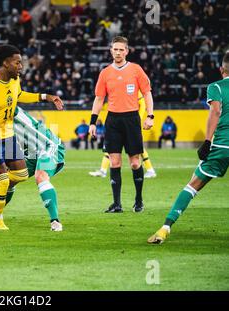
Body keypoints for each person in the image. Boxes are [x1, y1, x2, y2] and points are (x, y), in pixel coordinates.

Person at [0, 44, 63, 230]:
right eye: (17, 62)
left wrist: (46, 97)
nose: (21, 66)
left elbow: (19, 95)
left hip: (8, 136)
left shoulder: (14, 80)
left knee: (21, 175)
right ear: (5, 63)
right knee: (3, 178)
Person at [148, 52, 229, 244]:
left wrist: (207, 141)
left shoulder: (216, 87)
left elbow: (216, 111)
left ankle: (165, 228)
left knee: (192, 186)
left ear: (221, 69)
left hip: (222, 145)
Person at [89, 36, 154, 213]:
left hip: (132, 119)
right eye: (115, 49)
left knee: (134, 163)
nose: (117, 52)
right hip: (113, 121)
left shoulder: (136, 69)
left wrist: (150, 116)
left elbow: (147, 93)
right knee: (114, 162)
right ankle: (117, 204)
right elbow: (99, 98)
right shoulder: (105, 73)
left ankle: (138, 200)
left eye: (121, 49)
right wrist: (93, 122)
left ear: (126, 51)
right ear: (111, 50)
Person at [89, 91, 157, 178]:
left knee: (137, 148)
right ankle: (103, 170)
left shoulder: (133, 84)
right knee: (112, 147)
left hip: (131, 121)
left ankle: (150, 170)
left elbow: (142, 102)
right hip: (121, 120)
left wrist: (137, 119)